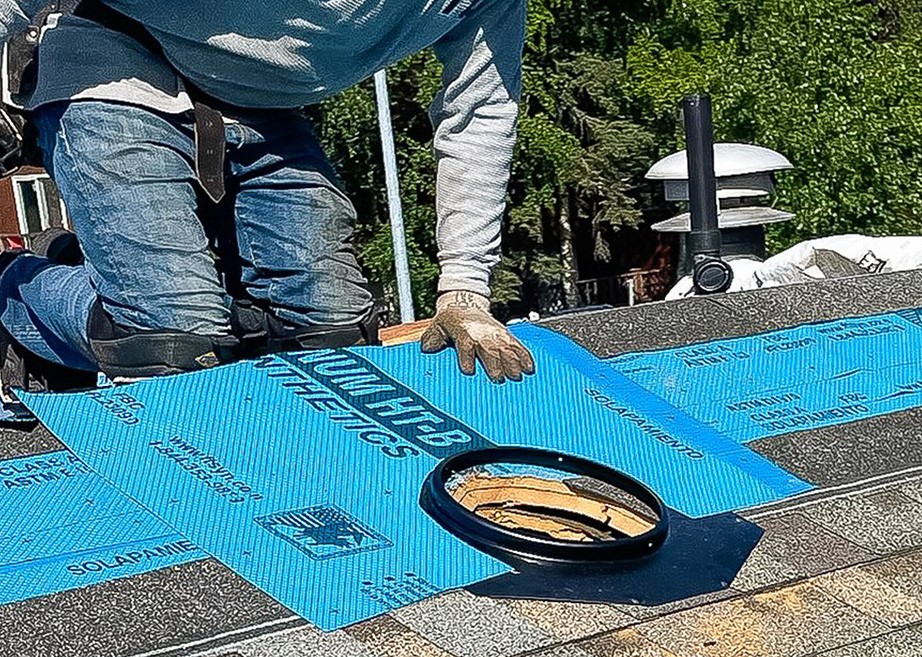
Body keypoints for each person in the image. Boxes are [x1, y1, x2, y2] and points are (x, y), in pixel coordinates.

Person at [0, 0, 535, 406]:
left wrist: (465, 292)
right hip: (112, 54)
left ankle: (115, 270)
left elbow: (479, 117)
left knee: (335, 342)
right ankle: (14, 292)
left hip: (259, 97)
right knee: (176, 351)